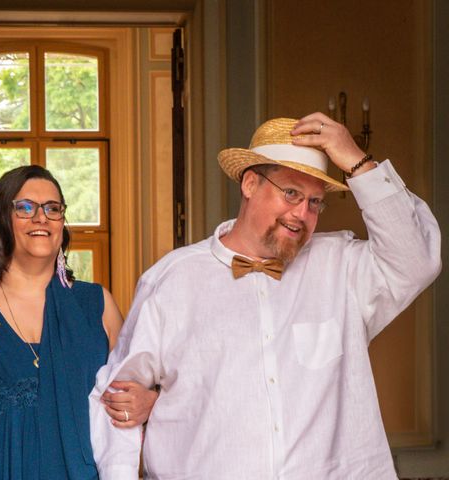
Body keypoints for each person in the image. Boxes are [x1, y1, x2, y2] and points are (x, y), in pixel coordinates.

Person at [89, 113, 442, 479]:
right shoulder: (173, 280)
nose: (301, 214)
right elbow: (117, 401)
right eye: (291, 193)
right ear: (250, 184)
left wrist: (358, 161)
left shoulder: (341, 269)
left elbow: (416, 260)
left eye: (315, 202)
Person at [0, 165, 158, 479]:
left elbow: (131, 390)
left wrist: (150, 401)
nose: (41, 218)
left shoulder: (97, 305)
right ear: (0, 220)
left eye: (53, 208)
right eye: (25, 208)